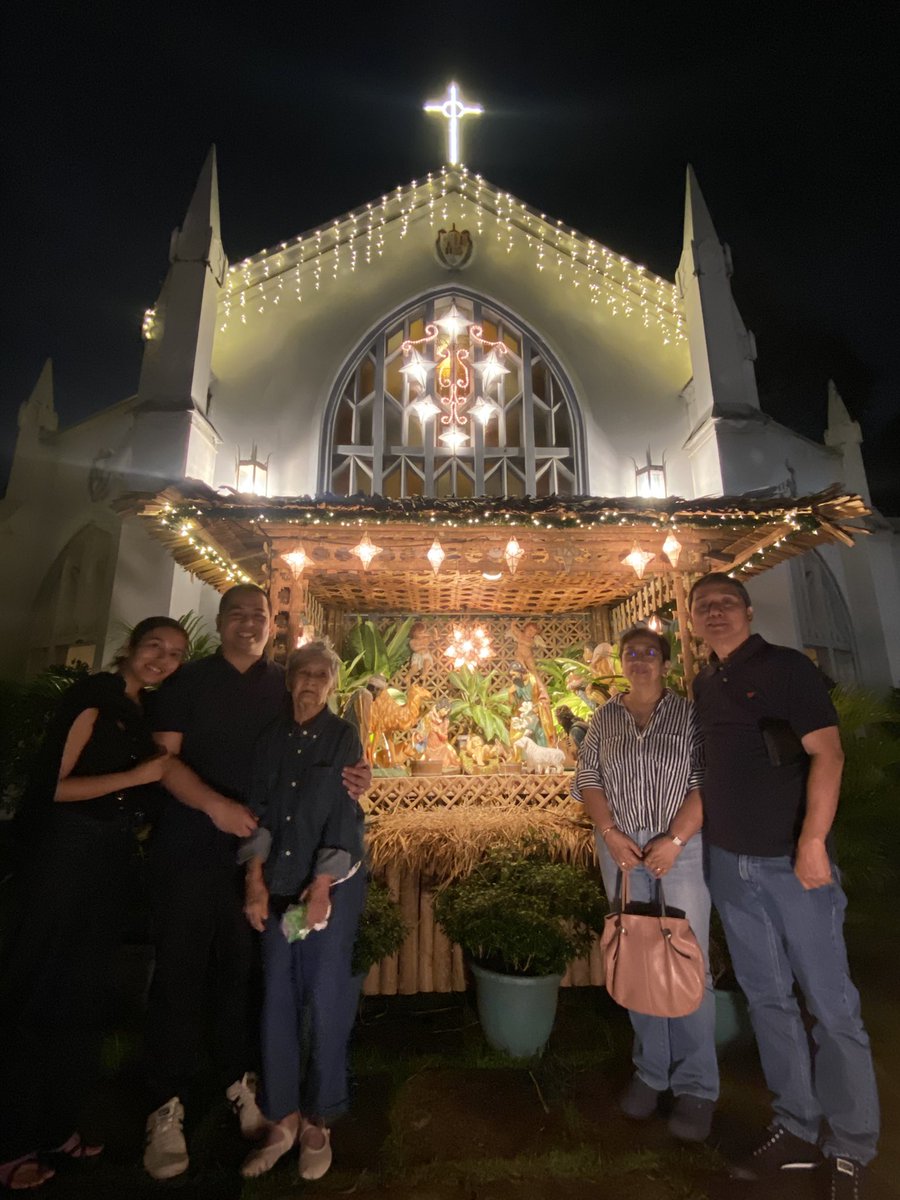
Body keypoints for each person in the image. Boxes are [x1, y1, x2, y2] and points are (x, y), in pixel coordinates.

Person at [142, 584, 371, 1181]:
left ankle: (276, 1098)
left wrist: (356, 778)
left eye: (260, 616)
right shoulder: (191, 683)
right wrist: (235, 839)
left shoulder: (304, 704)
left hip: (290, 870)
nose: (249, 624)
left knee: (265, 983)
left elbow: (335, 789)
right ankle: (176, 1106)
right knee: (191, 974)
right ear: (219, 622)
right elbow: (171, 765)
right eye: (237, 614)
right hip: (204, 851)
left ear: (274, 626)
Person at [689, 572, 879, 1195]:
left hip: (791, 866)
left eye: (725, 603)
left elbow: (828, 754)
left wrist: (813, 842)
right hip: (730, 864)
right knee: (767, 999)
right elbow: (714, 771)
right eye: (703, 606)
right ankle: (797, 1125)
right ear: (692, 621)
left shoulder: (787, 668)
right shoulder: (705, 682)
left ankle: (851, 1143)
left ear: (747, 609)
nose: (715, 613)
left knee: (830, 1005)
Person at [0, 618, 189, 1191]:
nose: (162, 658)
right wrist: (137, 775)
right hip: (64, 858)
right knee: (34, 991)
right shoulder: (94, 699)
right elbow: (52, 787)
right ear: (130, 647)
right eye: (154, 646)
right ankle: (9, 1143)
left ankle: (57, 1129)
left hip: (106, 864)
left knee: (79, 996)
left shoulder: (138, 712)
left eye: (175, 653)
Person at [573, 625, 717, 1142]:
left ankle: (698, 1083)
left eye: (649, 653)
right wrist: (609, 833)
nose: (639, 661)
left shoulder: (689, 715)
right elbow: (587, 779)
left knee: (686, 956)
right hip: (622, 850)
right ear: (621, 661)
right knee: (635, 955)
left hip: (681, 844)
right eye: (631, 653)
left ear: (664, 662)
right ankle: (652, 1070)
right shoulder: (603, 718)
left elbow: (707, 781)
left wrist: (675, 840)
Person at [239, 642, 367, 1180]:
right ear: (290, 680)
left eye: (321, 674)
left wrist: (321, 887)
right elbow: (260, 810)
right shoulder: (272, 739)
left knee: (325, 994)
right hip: (278, 883)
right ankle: (282, 1116)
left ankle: (320, 1118)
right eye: (303, 672)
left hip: (328, 885)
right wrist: (254, 880)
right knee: (277, 996)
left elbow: (343, 814)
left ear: (332, 684)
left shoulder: (342, 737)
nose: (311, 681)